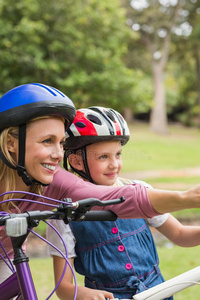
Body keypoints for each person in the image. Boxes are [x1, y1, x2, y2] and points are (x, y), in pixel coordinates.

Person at [1, 84, 200, 297]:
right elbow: (64, 287)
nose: (59, 154)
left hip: (6, 256)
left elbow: (115, 198)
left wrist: (188, 197)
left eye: (61, 143)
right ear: (11, 143)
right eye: (47, 141)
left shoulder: (54, 182)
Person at [47, 106, 200, 300]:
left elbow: (180, 235)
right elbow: (63, 287)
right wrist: (85, 294)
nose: (114, 164)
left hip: (158, 294)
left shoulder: (141, 192)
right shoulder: (66, 215)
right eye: (103, 157)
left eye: (118, 154)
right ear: (77, 162)